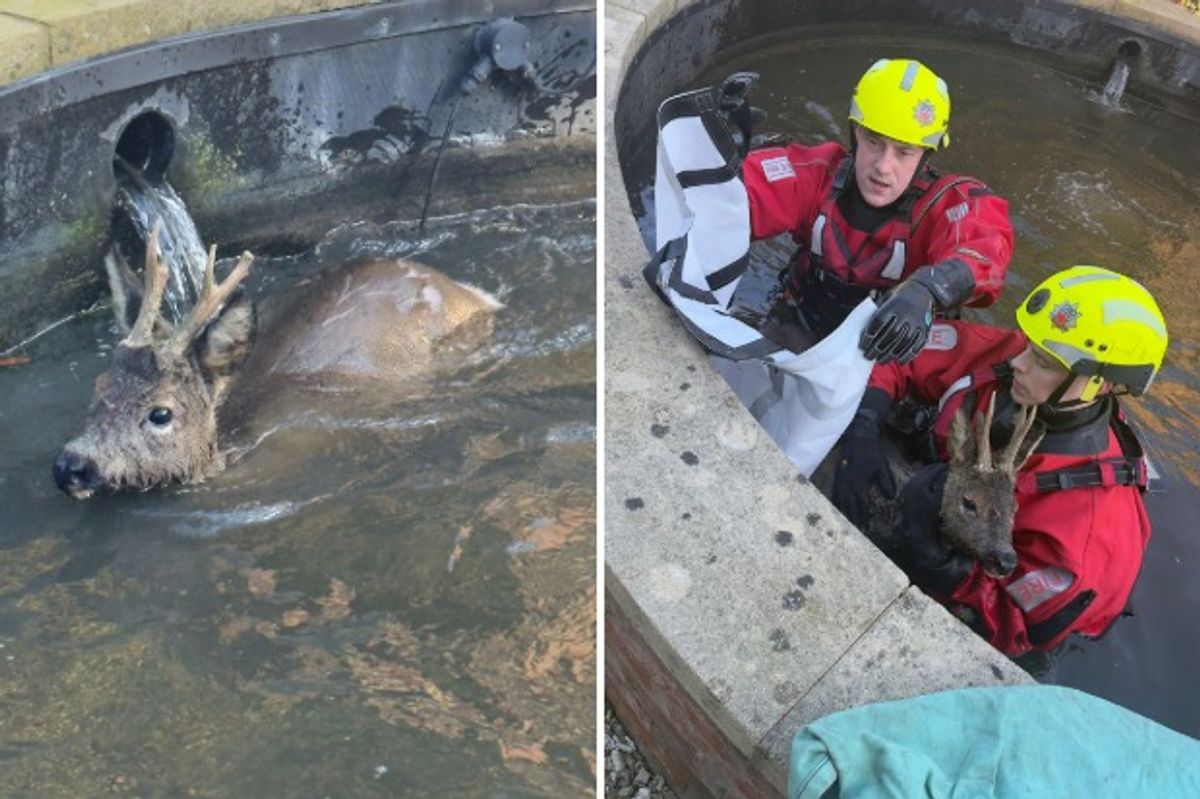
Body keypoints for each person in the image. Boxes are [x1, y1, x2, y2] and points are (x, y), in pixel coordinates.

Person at [832, 265, 1168, 655]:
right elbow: (903, 354)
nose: (1018, 363)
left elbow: (1017, 631)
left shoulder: (1084, 530)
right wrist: (865, 424)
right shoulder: (1016, 364)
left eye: (1043, 361)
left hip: (1030, 618)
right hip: (948, 499)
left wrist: (937, 565)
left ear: (1102, 383)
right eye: (1030, 344)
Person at [741, 57, 1013, 363]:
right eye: (873, 142)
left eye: (903, 152)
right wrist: (715, 163)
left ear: (927, 154)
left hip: (889, 352)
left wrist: (931, 288)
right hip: (800, 321)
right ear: (853, 133)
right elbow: (748, 190)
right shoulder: (818, 174)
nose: (884, 167)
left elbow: (985, 247)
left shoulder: (949, 204)